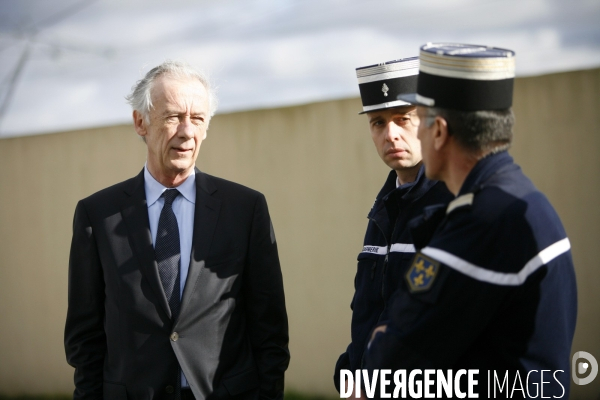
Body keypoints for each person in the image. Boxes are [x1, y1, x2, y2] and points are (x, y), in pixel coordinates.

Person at [64, 61, 290, 400]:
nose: (186, 131)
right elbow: (85, 335)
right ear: (140, 122)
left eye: (197, 119)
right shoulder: (97, 215)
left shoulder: (245, 209)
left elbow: (269, 327)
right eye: (172, 117)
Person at [364, 43, 577, 398]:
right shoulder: (522, 198)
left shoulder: (481, 221)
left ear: (439, 132)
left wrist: (378, 344)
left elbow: (394, 355)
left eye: (418, 120)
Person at [333, 57, 452, 393]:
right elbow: (371, 308)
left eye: (403, 119)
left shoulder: (452, 209)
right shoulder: (384, 207)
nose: (391, 134)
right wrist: (349, 373)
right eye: (378, 122)